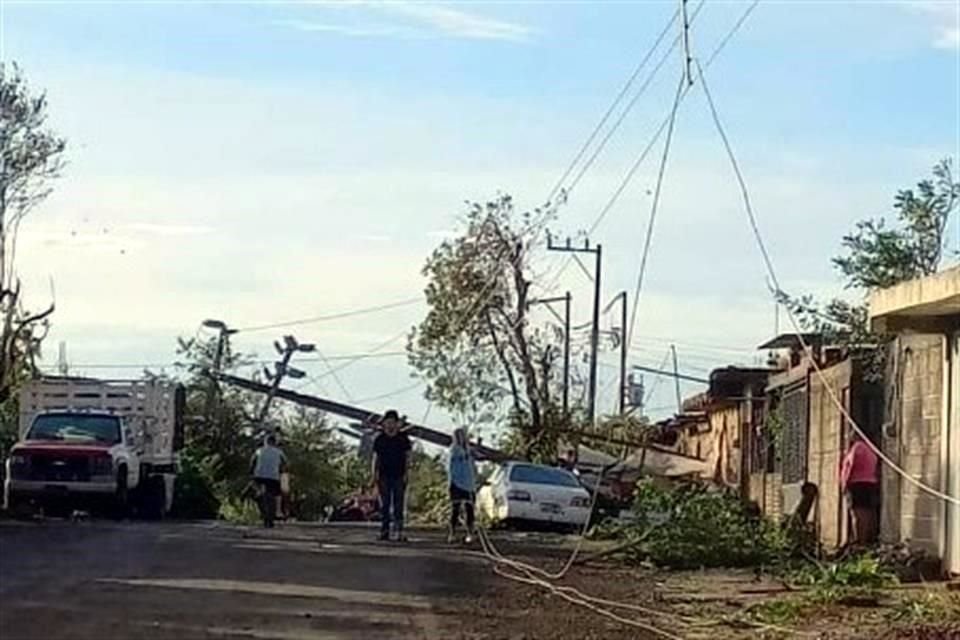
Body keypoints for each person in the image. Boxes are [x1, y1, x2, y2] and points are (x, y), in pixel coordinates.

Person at [372, 410, 412, 542]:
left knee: (399, 504)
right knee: (385, 504)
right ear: (384, 424)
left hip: (399, 475)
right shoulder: (380, 439)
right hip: (383, 475)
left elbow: (407, 457)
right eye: (387, 422)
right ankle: (384, 531)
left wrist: (407, 473)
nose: (390, 425)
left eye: (392, 422)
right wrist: (374, 474)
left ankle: (399, 531)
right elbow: (376, 458)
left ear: (397, 423)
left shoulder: (403, 438)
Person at [840, 430, 880, 546]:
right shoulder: (871, 449)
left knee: (856, 513)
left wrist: (844, 483)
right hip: (869, 483)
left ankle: (858, 540)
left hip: (856, 484)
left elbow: (850, 467)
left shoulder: (857, 448)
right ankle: (866, 539)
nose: (849, 436)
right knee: (867, 512)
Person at [447, 428, 476, 544]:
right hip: (457, 483)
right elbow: (458, 458)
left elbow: (472, 466)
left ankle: (470, 533)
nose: (461, 438)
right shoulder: (454, 449)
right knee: (456, 509)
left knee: (470, 510)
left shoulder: (469, 450)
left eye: (463, 436)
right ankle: (452, 533)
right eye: (458, 436)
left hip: (469, 484)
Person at [251, 433, 286, 528]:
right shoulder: (279, 452)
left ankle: (258, 497)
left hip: (259, 476)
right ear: (275, 443)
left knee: (255, 491)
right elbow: (284, 464)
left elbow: (253, 462)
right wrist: (283, 473)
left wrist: (251, 473)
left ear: (265, 442)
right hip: (273, 477)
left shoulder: (259, 451)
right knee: (277, 494)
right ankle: (277, 512)